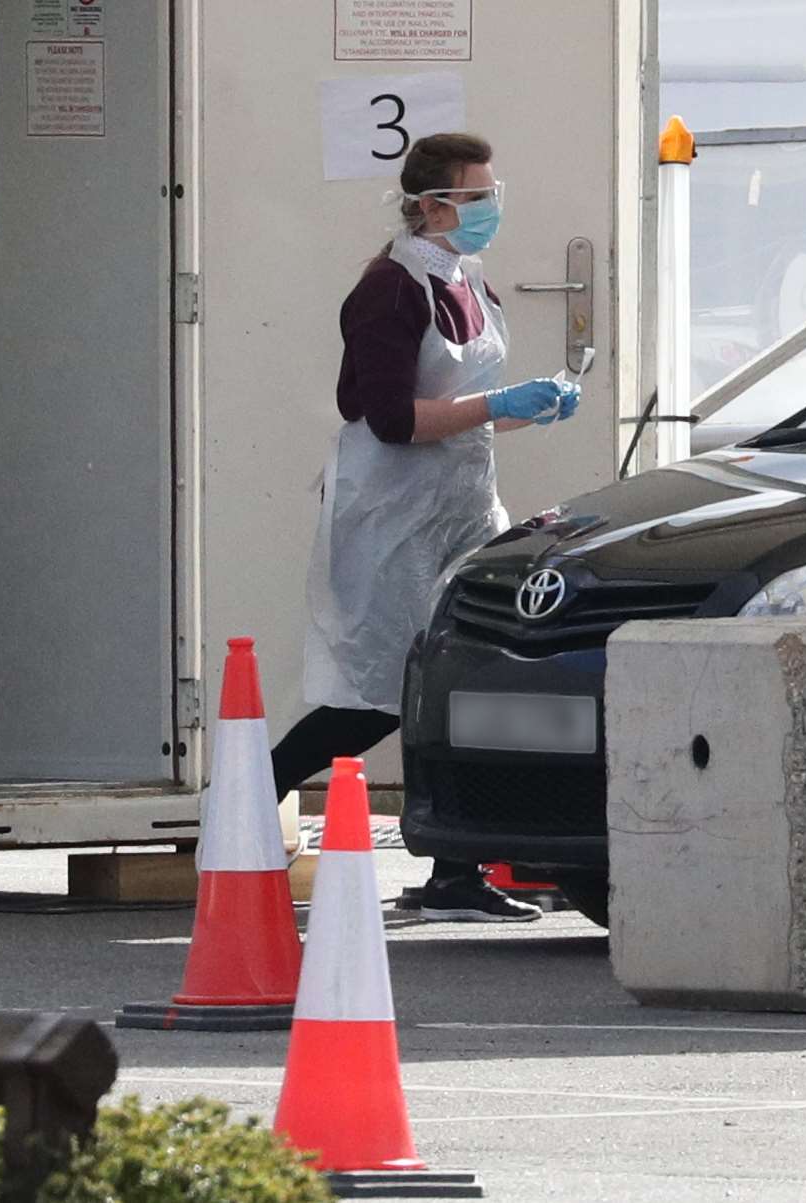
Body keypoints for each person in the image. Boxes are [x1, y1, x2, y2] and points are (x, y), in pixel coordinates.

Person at [272, 133, 580, 922]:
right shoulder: (389, 288)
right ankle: (241, 809)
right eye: (477, 197)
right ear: (431, 204)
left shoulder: (469, 280)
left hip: (462, 502)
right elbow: (390, 418)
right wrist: (498, 404)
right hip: (392, 512)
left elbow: (465, 412)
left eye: (492, 193)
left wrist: (528, 406)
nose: (491, 210)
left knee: (470, 676)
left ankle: (456, 871)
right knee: (378, 693)